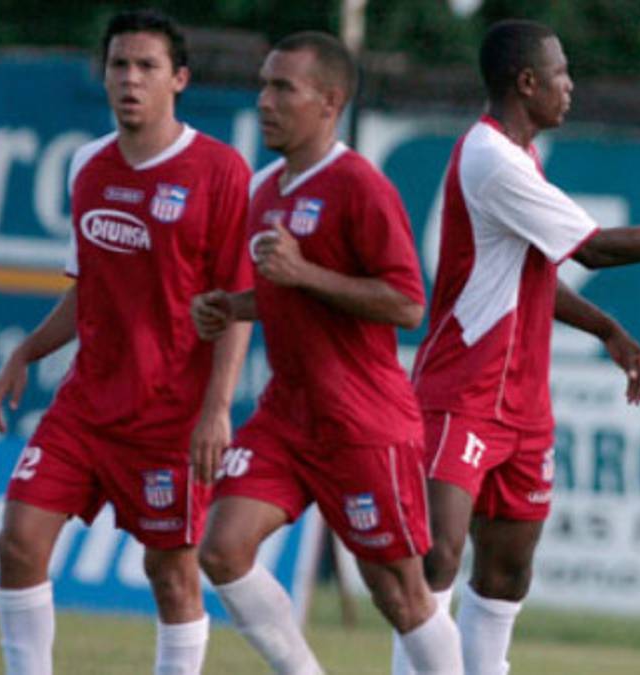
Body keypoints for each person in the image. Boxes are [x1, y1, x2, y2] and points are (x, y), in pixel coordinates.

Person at [393, 19, 640, 675]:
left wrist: (606, 328)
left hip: (523, 406)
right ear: (527, 83)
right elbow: (596, 249)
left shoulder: (521, 158)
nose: (571, 85)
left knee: (506, 571)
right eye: (561, 73)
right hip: (461, 392)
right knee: (438, 556)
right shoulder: (491, 157)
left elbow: (529, 278)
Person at [0, 9, 253, 675]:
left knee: (171, 575)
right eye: (119, 65)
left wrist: (217, 409)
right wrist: (27, 352)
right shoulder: (88, 165)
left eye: (147, 66)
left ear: (179, 79)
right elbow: (91, 289)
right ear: (103, 76)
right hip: (85, 406)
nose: (131, 79)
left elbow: (237, 306)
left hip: (170, 415)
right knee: (18, 542)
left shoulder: (219, 171)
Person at [188, 32, 462, 675]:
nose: (264, 101)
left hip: (362, 420)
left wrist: (304, 273)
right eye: (263, 85)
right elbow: (287, 294)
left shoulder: (360, 186)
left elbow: (407, 304)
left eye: (283, 88)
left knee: (399, 595)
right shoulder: (265, 190)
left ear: (330, 102)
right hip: (288, 416)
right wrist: (234, 305)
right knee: (222, 550)